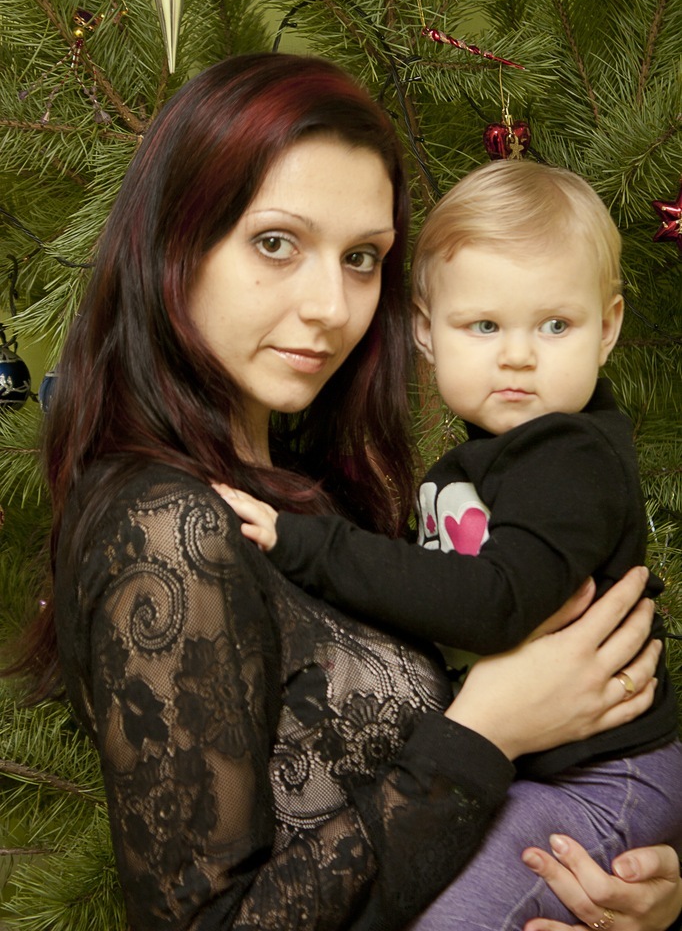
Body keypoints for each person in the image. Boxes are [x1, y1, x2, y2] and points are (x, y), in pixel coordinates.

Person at [5, 54, 680, 931]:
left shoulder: (303, 493)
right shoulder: (167, 526)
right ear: (177, 240)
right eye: (276, 243)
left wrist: (615, 888)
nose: (332, 305)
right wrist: (486, 731)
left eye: (361, 258)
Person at [216, 159, 682, 929]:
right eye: (485, 326)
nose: (519, 355)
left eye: (555, 325)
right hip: (528, 769)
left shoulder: (569, 457)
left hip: (601, 778)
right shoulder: (481, 463)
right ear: (427, 333)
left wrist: (305, 545)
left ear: (608, 329)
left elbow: (493, 605)